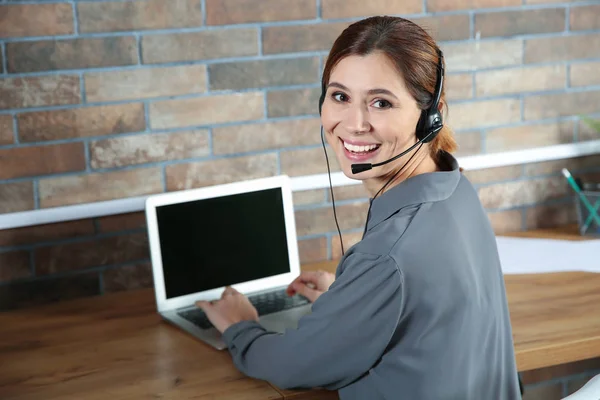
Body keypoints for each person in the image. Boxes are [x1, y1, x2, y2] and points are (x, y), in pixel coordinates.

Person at [196, 16, 522, 400]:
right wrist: (353, 300)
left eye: (380, 103)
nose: (353, 124)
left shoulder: (386, 255)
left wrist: (240, 328)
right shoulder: (455, 188)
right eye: (340, 96)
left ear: (429, 115)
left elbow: (294, 366)